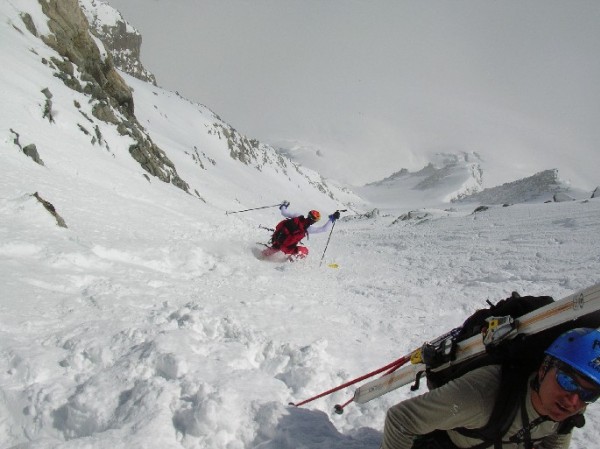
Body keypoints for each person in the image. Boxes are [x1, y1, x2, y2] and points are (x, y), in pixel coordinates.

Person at [381, 327, 600, 449]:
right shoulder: (480, 396)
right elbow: (401, 419)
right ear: (544, 369)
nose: (573, 402)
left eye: (590, 393)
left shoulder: (574, 403)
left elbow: (557, 439)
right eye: (568, 380)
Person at [262, 201, 341, 260]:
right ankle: (290, 262)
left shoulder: (298, 216)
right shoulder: (308, 229)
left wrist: (283, 206)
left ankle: (260, 255)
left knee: (264, 254)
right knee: (305, 251)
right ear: (315, 221)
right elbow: (324, 229)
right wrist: (332, 218)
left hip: (277, 240)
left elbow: (284, 212)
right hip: (287, 248)